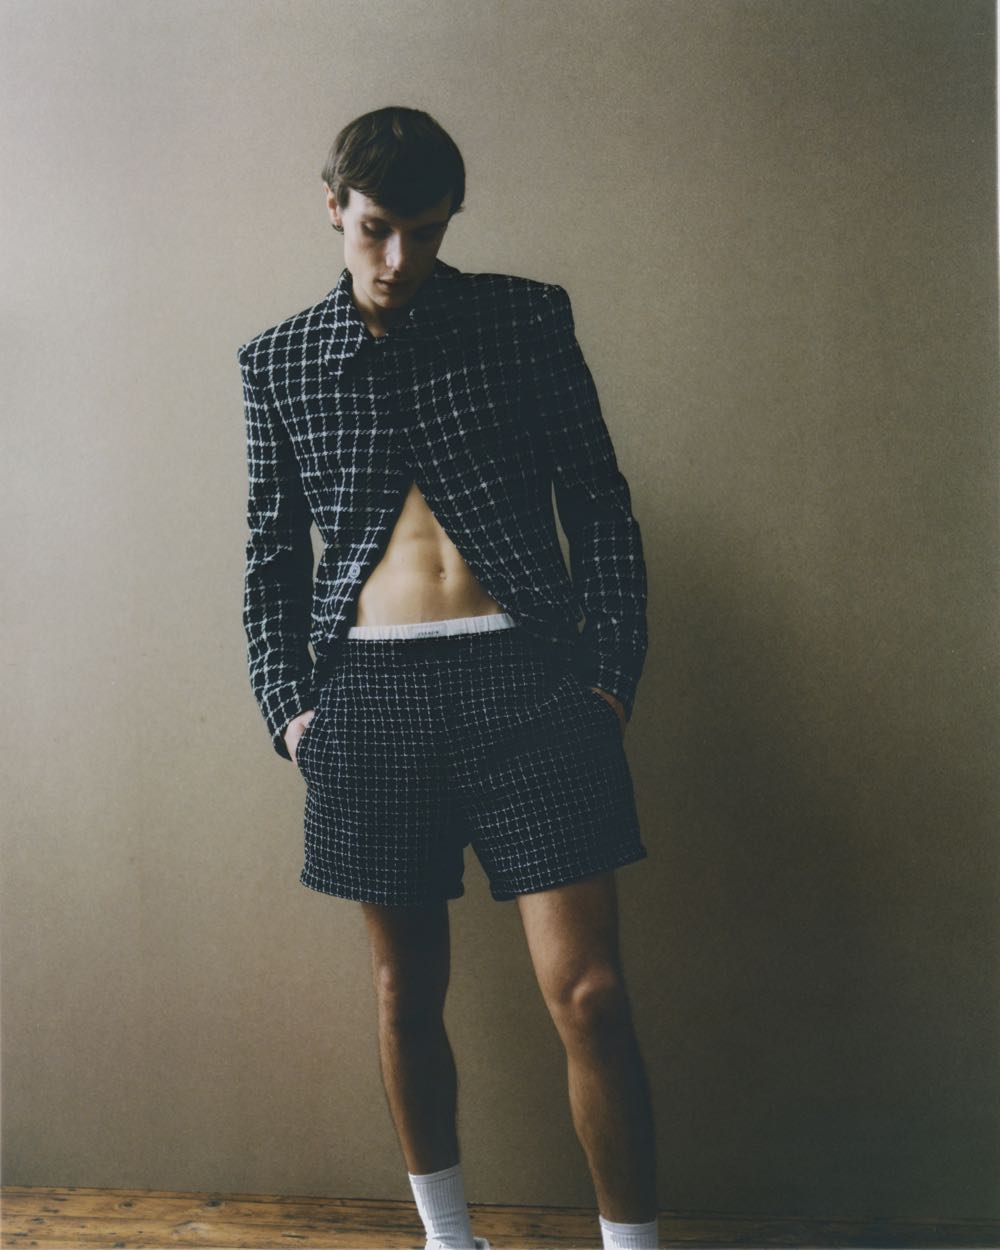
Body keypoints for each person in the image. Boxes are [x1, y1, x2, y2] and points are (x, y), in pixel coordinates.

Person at [237, 105, 658, 1250]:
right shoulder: (278, 361)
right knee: (404, 994)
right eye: (375, 228)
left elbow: (600, 503)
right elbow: (271, 556)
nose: (398, 258)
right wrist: (290, 711)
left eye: (425, 232)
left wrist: (608, 675)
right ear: (334, 207)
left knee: (591, 994)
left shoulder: (522, 319)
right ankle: (447, 1238)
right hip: (366, 699)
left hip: (530, 684)